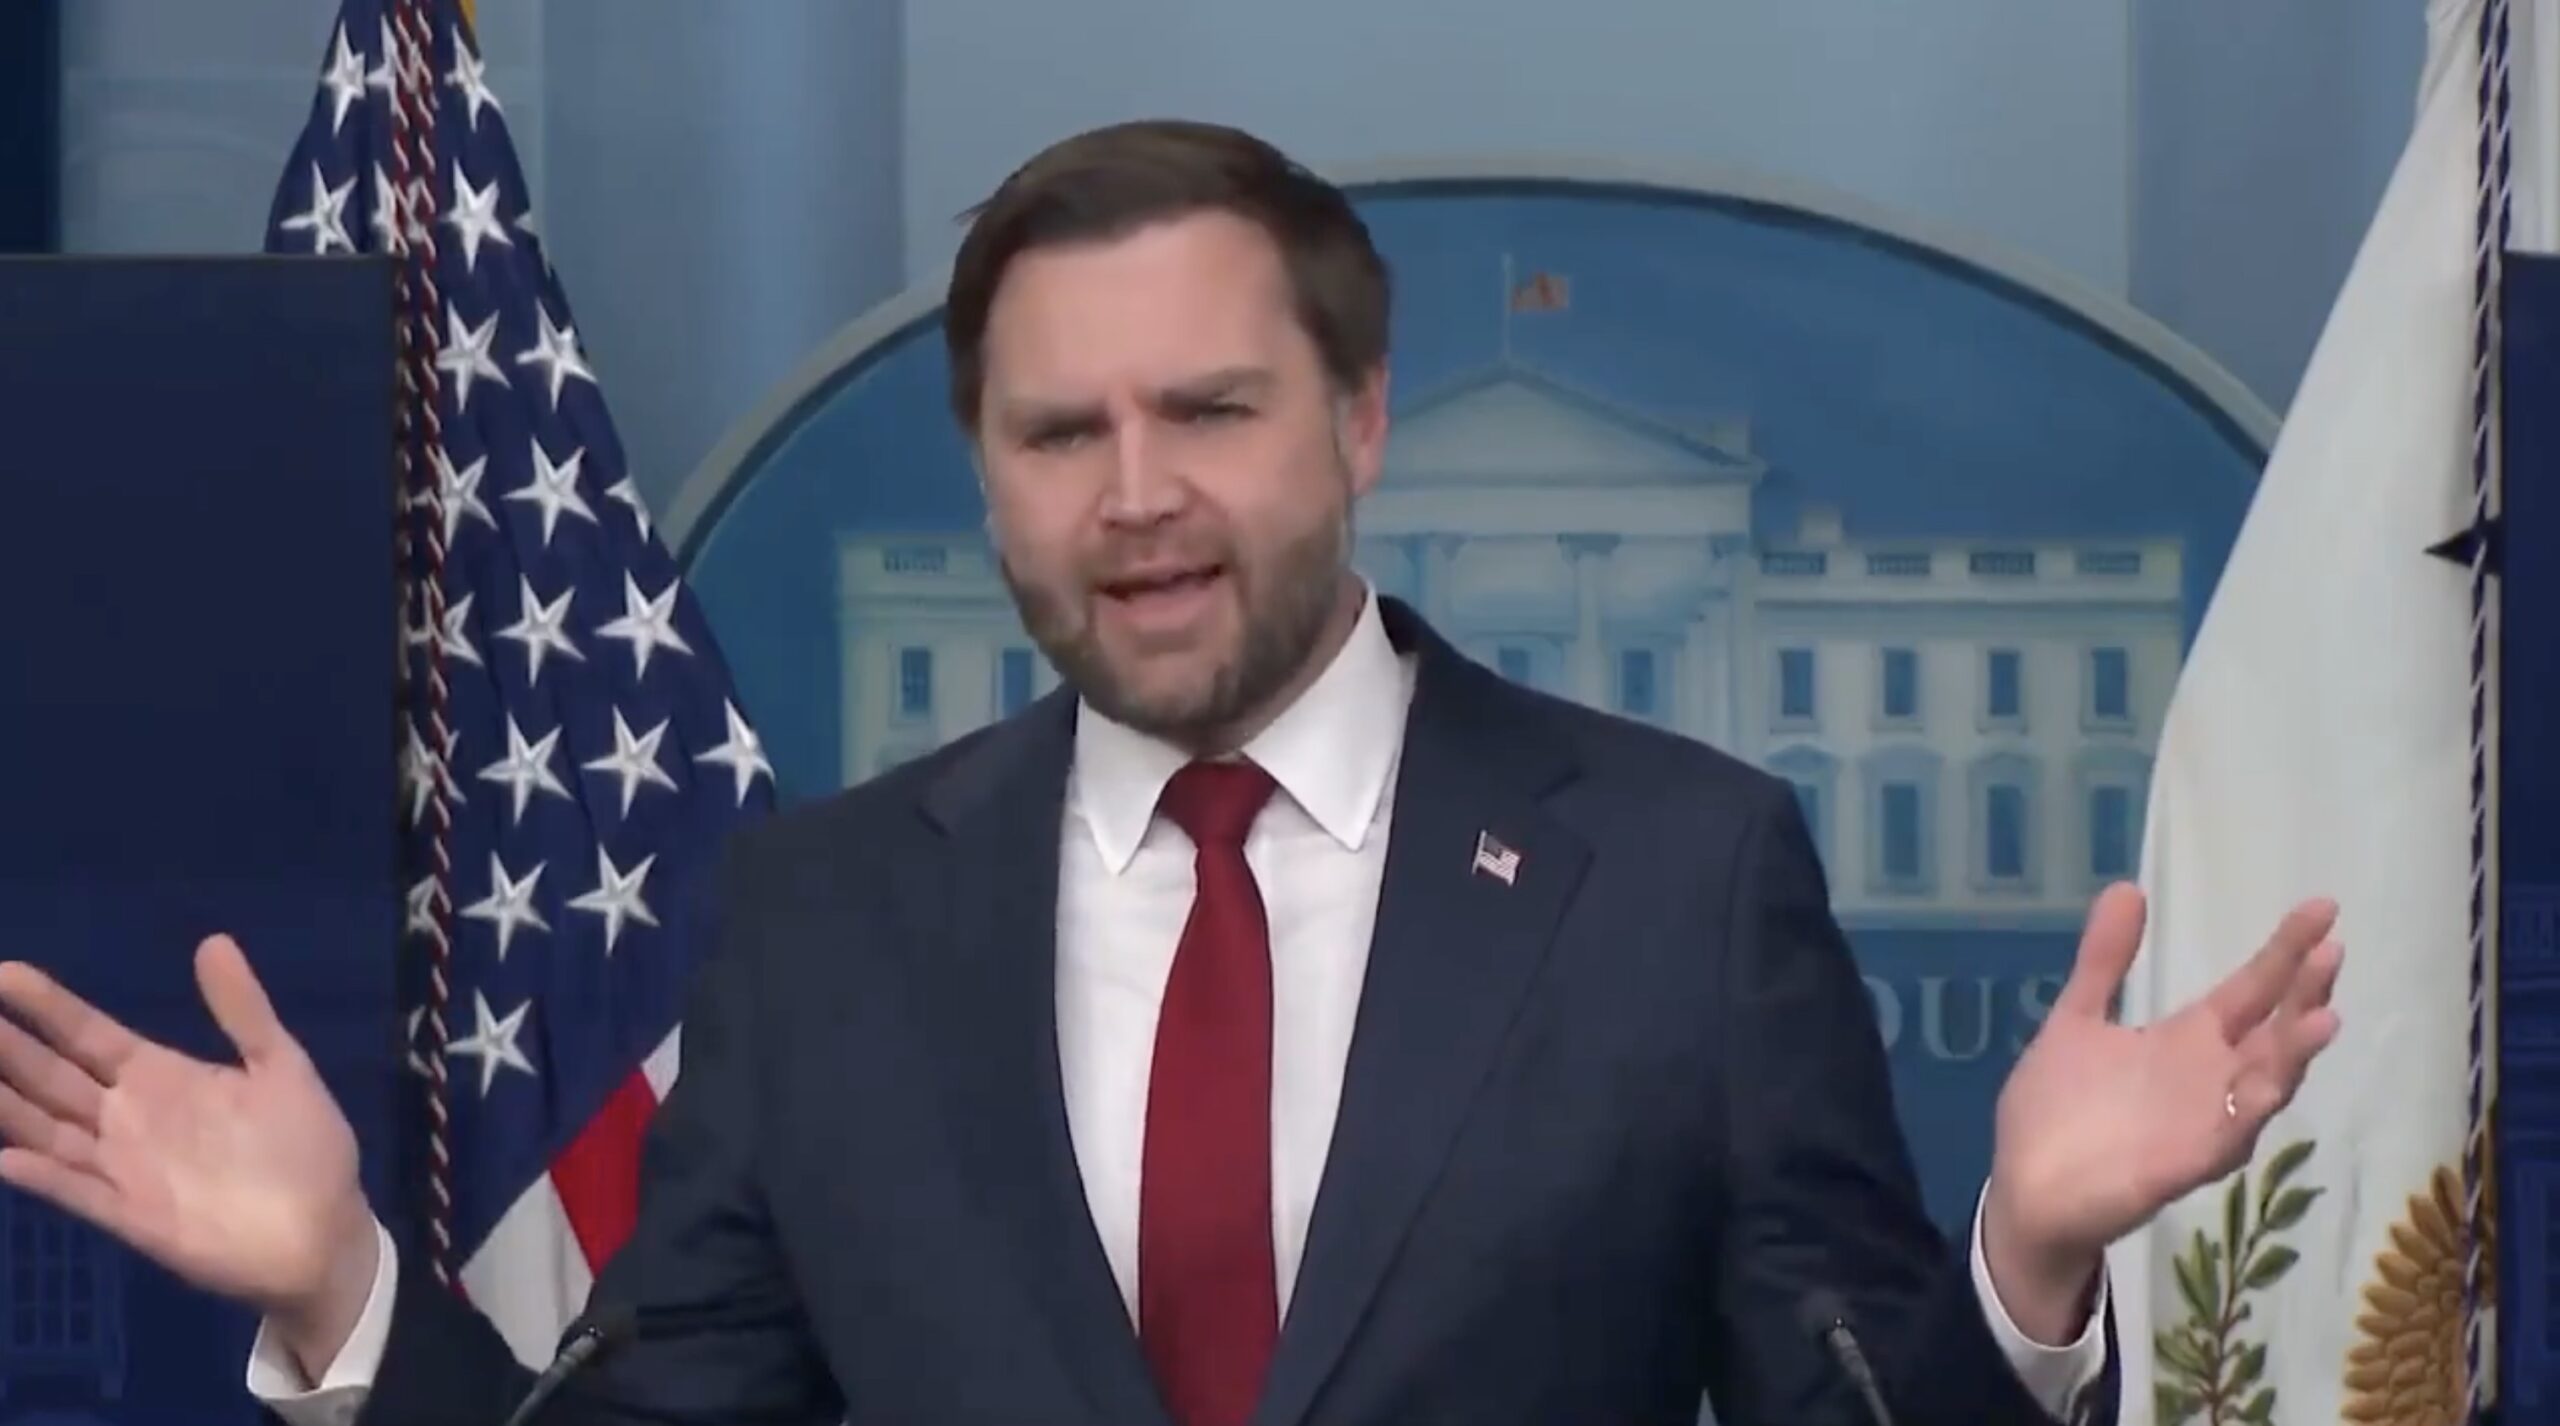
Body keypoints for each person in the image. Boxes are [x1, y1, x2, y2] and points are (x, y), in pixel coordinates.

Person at [0, 119, 2341, 1426]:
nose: (1136, 492)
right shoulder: (824, 922)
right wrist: (342, 1291)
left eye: (1208, 410)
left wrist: (2024, 1261)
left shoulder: (1676, 876)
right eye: (1058, 431)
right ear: (990, 483)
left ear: (1356, 421)